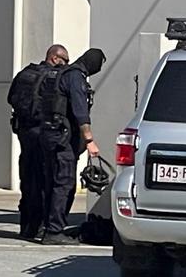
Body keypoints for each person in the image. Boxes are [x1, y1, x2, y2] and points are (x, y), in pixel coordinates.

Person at [40, 48, 106, 245]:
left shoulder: (62, 73)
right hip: (63, 139)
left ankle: (47, 226)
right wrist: (89, 140)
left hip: (50, 135)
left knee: (51, 183)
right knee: (64, 184)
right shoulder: (75, 77)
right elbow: (79, 110)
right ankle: (54, 231)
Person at [7, 44, 69, 239]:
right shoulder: (52, 78)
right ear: (54, 58)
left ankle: (27, 226)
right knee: (44, 180)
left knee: (28, 179)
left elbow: (11, 98)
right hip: (41, 132)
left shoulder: (25, 73)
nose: (65, 65)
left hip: (24, 132)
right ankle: (41, 226)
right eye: (64, 60)